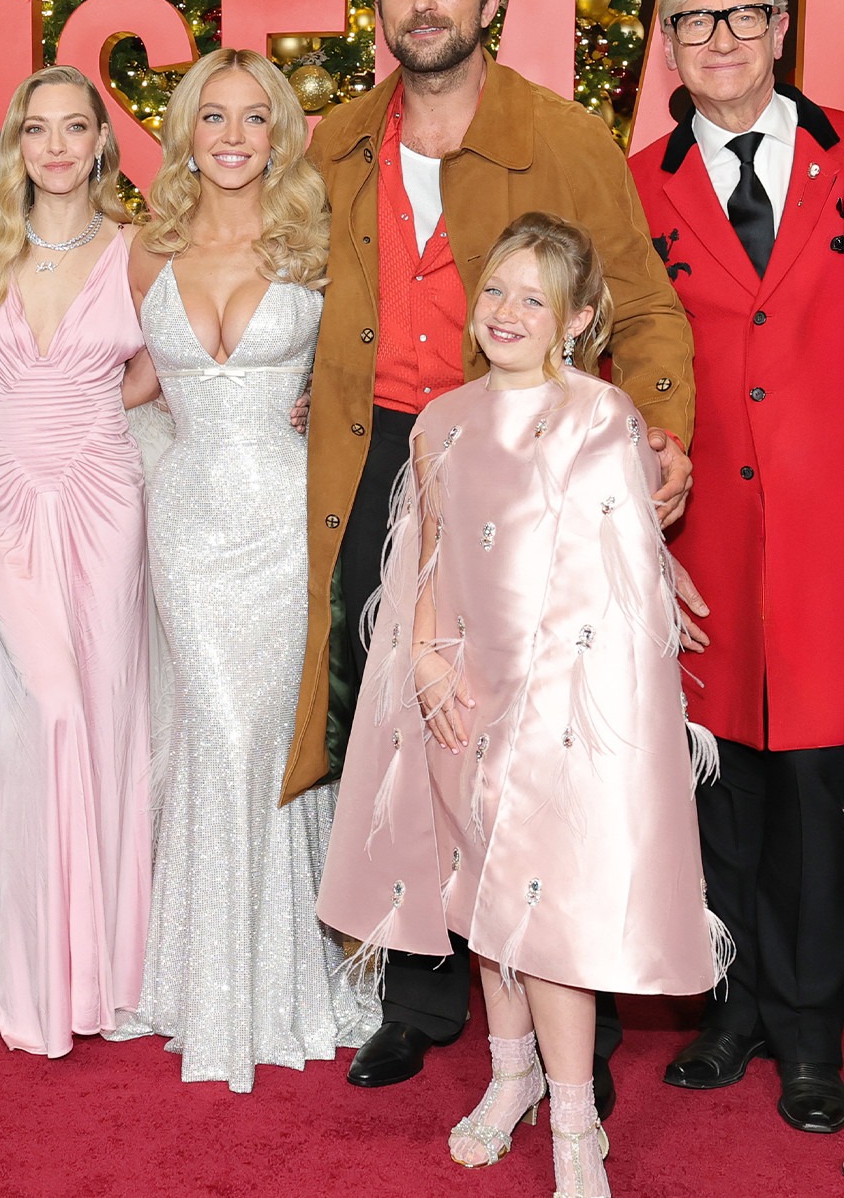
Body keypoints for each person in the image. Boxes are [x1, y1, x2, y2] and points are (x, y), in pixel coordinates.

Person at [288, 0, 698, 1100]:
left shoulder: (564, 138)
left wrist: (660, 431)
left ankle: (583, 1024)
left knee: (549, 736)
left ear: (490, 1)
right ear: (380, 6)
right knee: (404, 714)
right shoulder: (336, 140)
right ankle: (419, 997)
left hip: (521, 467)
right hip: (383, 460)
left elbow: (646, 302)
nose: (424, 3)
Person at [318, 213, 726, 1197]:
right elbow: (422, 557)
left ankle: (576, 1123)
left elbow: (611, 583)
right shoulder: (442, 421)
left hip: (558, 716)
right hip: (460, 697)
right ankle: (510, 1082)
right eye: (496, 290)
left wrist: (545, 717)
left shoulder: (598, 418)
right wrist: (423, 662)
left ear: (577, 317)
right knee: (481, 906)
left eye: (533, 299)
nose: (506, 312)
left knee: (545, 925)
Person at [105, 48, 376, 1092]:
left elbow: (367, 363)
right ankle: (208, 984)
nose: (230, 136)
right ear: (183, 133)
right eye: (211, 117)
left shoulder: (317, 246)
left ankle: (281, 979)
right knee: (215, 732)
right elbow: (127, 379)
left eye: (251, 118)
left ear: (280, 133)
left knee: (270, 736)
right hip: (188, 523)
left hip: (285, 519)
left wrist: (326, 397)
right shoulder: (144, 248)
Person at [629, 0, 844, 1135]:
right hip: (697, 535)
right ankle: (736, 1009)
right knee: (718, 786)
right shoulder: (634, 181)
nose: (719, 40)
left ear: (779, 29)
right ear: (669, 46)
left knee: (818, 787)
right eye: (693, 24)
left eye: (741, 16)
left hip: (828, 541)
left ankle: (813, 1035)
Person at [0, 66, 156, 1057]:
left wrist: (79, 419)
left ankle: (113, 977)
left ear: (99, 144)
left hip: (105, 494)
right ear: (19, 146)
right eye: (38, 129)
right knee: (50, 710)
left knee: (113, 719)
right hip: (1, 504)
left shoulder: (139, 250)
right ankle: (42, 978)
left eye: (75, 128)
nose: (57, 147)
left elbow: (171, 363)